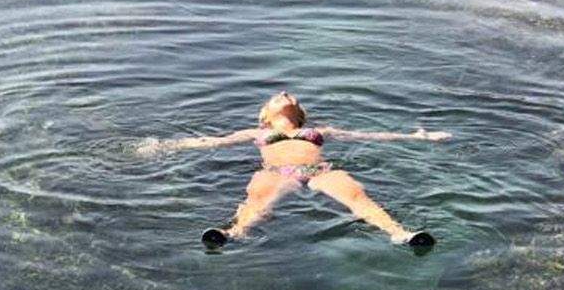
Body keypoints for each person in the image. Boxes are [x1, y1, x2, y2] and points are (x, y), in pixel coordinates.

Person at [138, 91, 449, 250]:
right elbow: (211, 143)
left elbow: (368, 135)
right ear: (265, 116)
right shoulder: (254, 133)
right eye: (276, 97)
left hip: (319, 170)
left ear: (299, 113)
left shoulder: (318, 130)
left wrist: (418, 137)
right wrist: (166, 146)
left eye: (288, 96)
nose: (283, 93)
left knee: (358, 197)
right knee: (256, 201)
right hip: (276, 171)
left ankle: (400, 234)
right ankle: (233, 234)